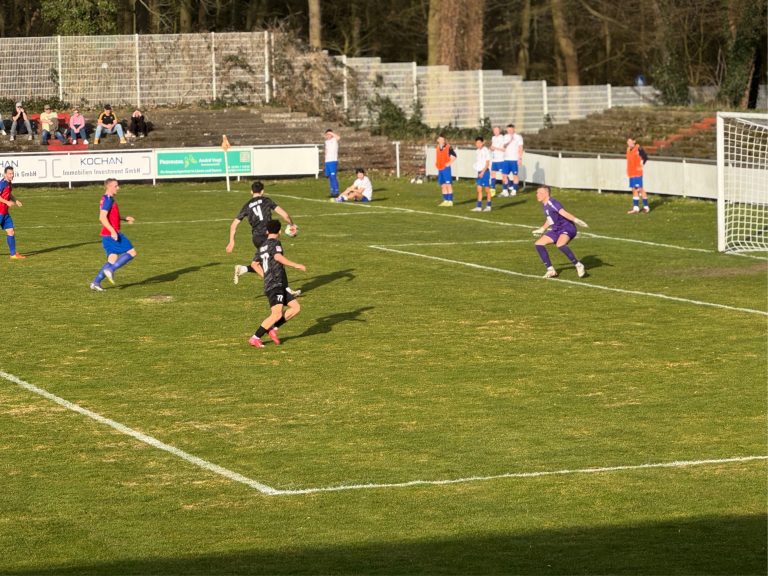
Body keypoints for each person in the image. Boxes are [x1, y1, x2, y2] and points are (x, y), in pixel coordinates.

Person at [227, 181, 299, 296]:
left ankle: (243, 269)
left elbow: (233, 225)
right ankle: (285, 290)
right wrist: (291, 224)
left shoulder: (246, 205)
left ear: (251, 192)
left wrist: (231, 241)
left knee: (267, 261)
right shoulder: (266, 200)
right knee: (277, 261)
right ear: (263, 191)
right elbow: (284, 214)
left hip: (256, 238)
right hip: (268, 236)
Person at [248, 220, 306, 349]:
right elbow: (278, 257)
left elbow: (254, 264)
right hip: (275, 285)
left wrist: (265, 276)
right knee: (276, 314)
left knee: (295, 307)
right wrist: (296, 265)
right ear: (279, 231)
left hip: (276, 283)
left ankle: (272, 328)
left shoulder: (262, 246)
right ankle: (255, 338)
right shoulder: (275, 243)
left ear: (267, 231)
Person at [90, 178, 136, 291]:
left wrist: (124, 218)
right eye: (116, 186)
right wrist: (112, 231)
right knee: (132, 252)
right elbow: (102, 217)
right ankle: (111, 270)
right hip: (112, 234)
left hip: (106, 235)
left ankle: (96, 282)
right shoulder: (108, 200)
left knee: (112, 259)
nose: (118, 188)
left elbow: (111, 215)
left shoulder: (106, 198)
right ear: (109, 186)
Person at [532, 185, 587, 278]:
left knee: (560, 244)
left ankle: (578, 265)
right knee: (538, 244)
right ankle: (550, 270)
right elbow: (550, 219)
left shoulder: (552, 202)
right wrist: (542, 229)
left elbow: (563, 212)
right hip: (556, 229)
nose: (537, 195)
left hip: (567, 228)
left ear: (546, 193)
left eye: (539, 193)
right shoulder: (545, 205)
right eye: (537, 193)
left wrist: (576, 220)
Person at [0, 166, 26, 260]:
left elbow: (9, 194)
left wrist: (16, 200)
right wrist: (7, 202)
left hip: (5, 213)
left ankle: (13, 255)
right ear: (5, 174)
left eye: (12, 173)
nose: (12, 175)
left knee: (11, 231)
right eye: (10, 173)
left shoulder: (8, 183)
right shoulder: (2, 183)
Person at [626, 137, 649, 214]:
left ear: (634, 141)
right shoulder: (628, 149)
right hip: (631, 173)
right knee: (634, 189)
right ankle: (636, 208)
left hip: (637, 173)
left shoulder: (638, 148)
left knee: (640, 189)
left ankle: (646, 207)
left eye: (630, 141)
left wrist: (641, 164)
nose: (629, 143)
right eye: (628, 142)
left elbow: (645, 157)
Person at [502, 124, 524, 196]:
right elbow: (503, 146)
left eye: (511, 129)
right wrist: (509, 141)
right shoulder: (505, 137)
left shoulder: (518, 137)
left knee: (515, 175)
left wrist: (520, 158)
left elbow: (520, 148)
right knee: (504, 175)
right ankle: (505, 190)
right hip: (506, 159)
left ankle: (514, 190)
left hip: (514, 159)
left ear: (514, 129)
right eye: (508, 129)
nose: (510, 131)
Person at [435, 134, 457, 207]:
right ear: (438, 140)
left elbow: (454, 156)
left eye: (443, 139)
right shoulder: (437, 147)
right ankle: (445, 200)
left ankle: (450, 201)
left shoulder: (448, 147)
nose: (442, 141)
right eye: (440, 139)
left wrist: (449, 163)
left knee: (448, 184)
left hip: (446, 169)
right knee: (443, 185)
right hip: (440, 169)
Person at [472, 136, 492, 212]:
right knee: (479, 189)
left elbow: (487, 163)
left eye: (479, 142)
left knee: (487, 190)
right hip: (480, 172)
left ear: (483, 142)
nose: (478, 144)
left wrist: (483, 172)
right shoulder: (477, 151)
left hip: (485, 172)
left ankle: (489, 206)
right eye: (477, 143)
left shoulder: (486, 151)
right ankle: (479, 207)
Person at [489, 125, 507, 196]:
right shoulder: (493, 138)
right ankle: (493, 189)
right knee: (493, 174)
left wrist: (495, 148)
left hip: (501, 159)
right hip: (494, 159)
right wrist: (490, 148)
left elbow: (504, 149)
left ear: (499, 131)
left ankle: (505, 190)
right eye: (494, 130)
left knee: (503, 176)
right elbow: (492, 147)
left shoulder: (502, 138)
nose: (495, 132)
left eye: (497, 130)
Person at [324, 129, 340, 197]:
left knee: (333, 176)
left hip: (333, 161)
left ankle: (336, 191)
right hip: (327, 161)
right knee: (329, 176)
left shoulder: (334, 140)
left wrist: (331, 133)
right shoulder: (326, 142)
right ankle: (332, 191)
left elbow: (338, 137)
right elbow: (326, 151)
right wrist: (325, 162)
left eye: (329, 134)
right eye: (327, 134)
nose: (328, 135)